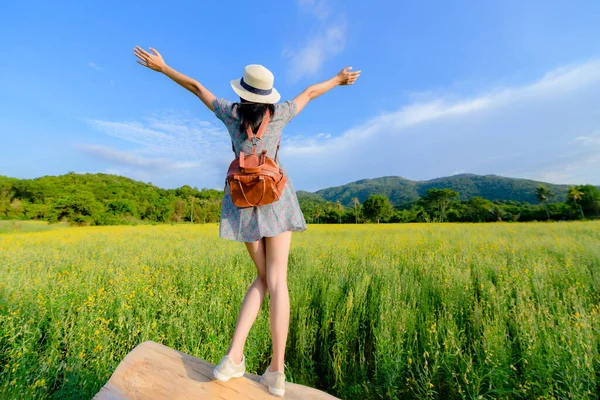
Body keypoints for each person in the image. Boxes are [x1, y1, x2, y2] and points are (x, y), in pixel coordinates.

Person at [134, 46, 360, 397]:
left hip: (242, 203)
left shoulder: (229, 113)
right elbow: (311, 92)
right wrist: (339, 79)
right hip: (277, 199)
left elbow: (196, 87)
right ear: (268, 94)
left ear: (242, 90)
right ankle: (276, 372)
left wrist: (163, 68)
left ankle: (232, 358)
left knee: (262, 278)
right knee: (278, 281)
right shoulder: (281, 113)